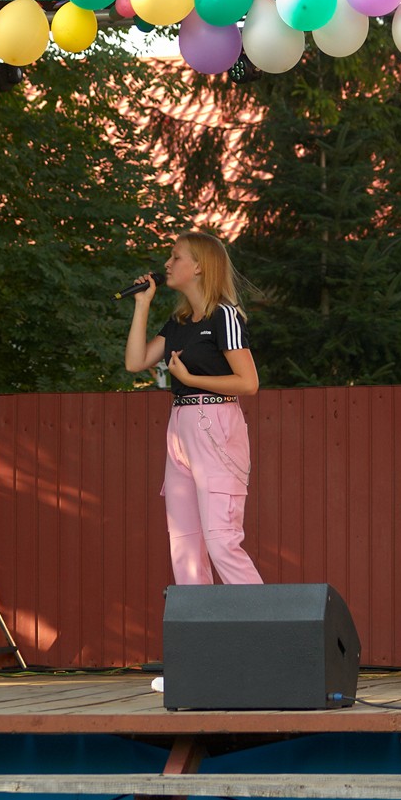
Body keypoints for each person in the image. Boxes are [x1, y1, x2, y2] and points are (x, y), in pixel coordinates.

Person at [124, 230, 263, 586]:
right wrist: (142, 304)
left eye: (176, 257)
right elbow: (135, 362)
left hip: (216, 423)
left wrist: (190, 378)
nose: (167, 264)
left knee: (221, 541)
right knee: (184, 546)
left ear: (199, 267)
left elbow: (248, 383)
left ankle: (264, 619)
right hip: (180, 427)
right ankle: (198, 621)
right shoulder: (179, 322)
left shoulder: (224, 316)